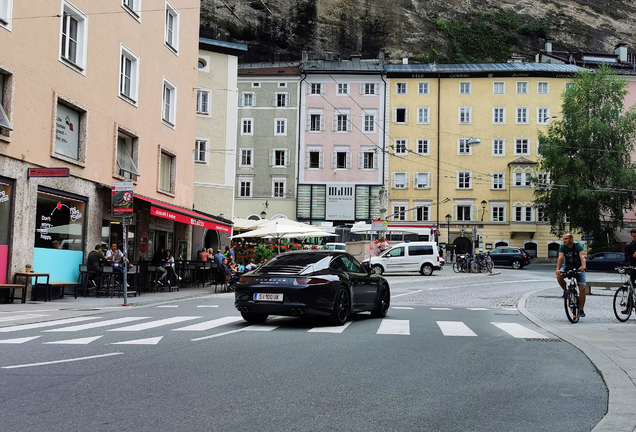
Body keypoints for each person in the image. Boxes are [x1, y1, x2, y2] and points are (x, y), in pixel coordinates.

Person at [556, 233, 587, 317]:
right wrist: (558, 269)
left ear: (571, 239)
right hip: (567, 266)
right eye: (564, 239)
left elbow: (582, 256)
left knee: (582, 288)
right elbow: (561, 257)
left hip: (578, 267)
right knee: (559, 276)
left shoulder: (578, 246)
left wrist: (583, 266)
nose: (564, 240)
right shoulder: (562, 247)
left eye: (566, 239)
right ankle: (566, 291)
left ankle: (581, 309)